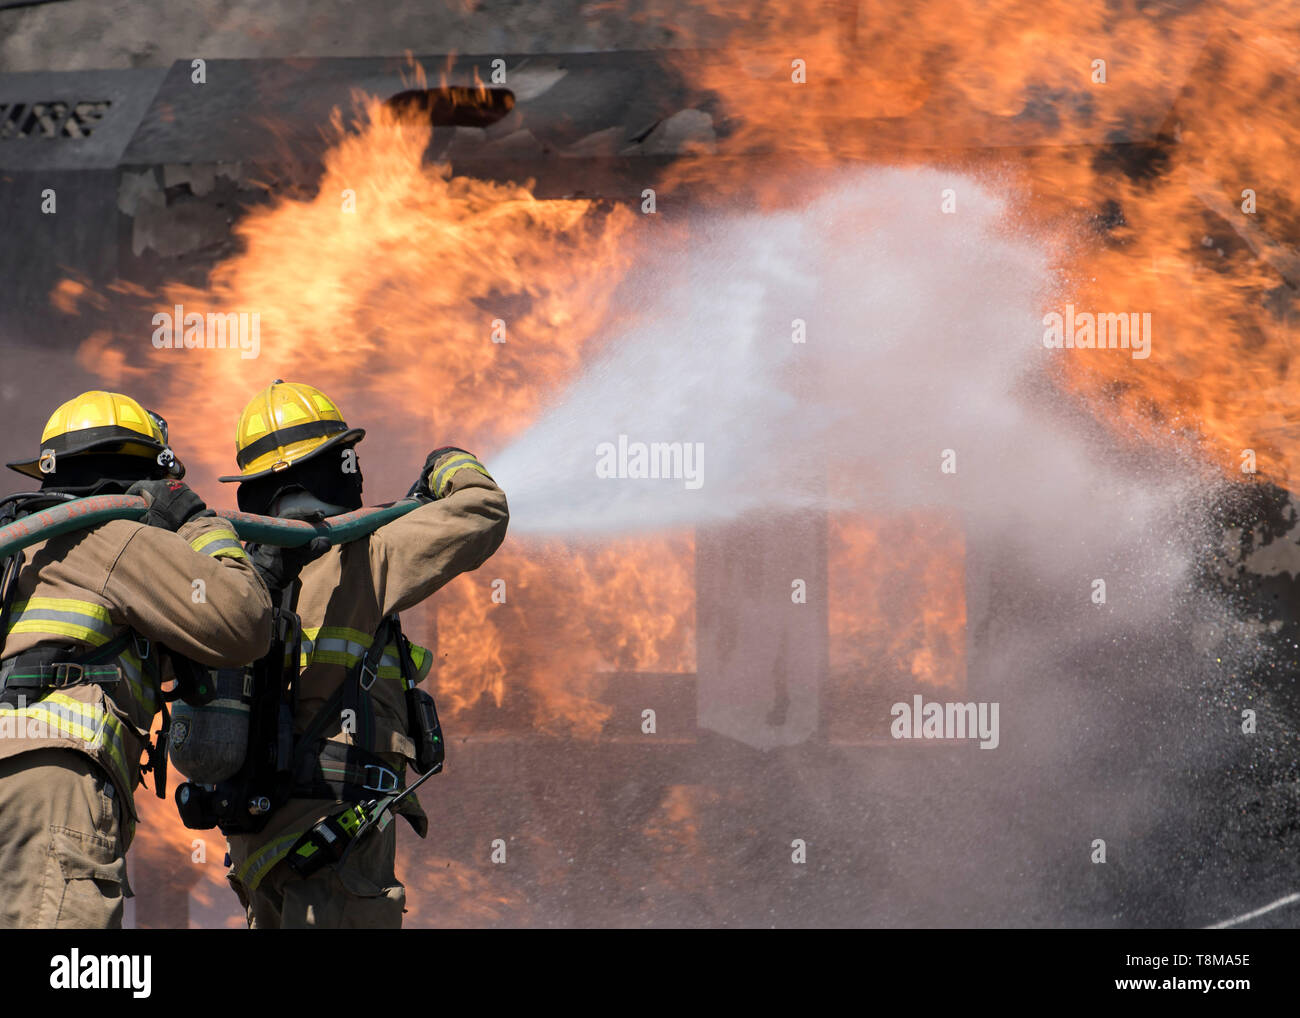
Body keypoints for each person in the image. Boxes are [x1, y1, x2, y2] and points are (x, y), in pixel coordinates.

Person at [219, 380, 508, 928]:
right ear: (334, 464)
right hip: (337, 826)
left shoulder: (231, 568)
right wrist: (449, 463)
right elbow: (483, 509)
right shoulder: (367, 551)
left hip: (255, 842)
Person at [0, 390, 273, 928]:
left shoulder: (19, 553)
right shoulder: (116, 539)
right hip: (53, 782)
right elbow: (244, 622)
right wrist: (196, 523)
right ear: (148, 473)